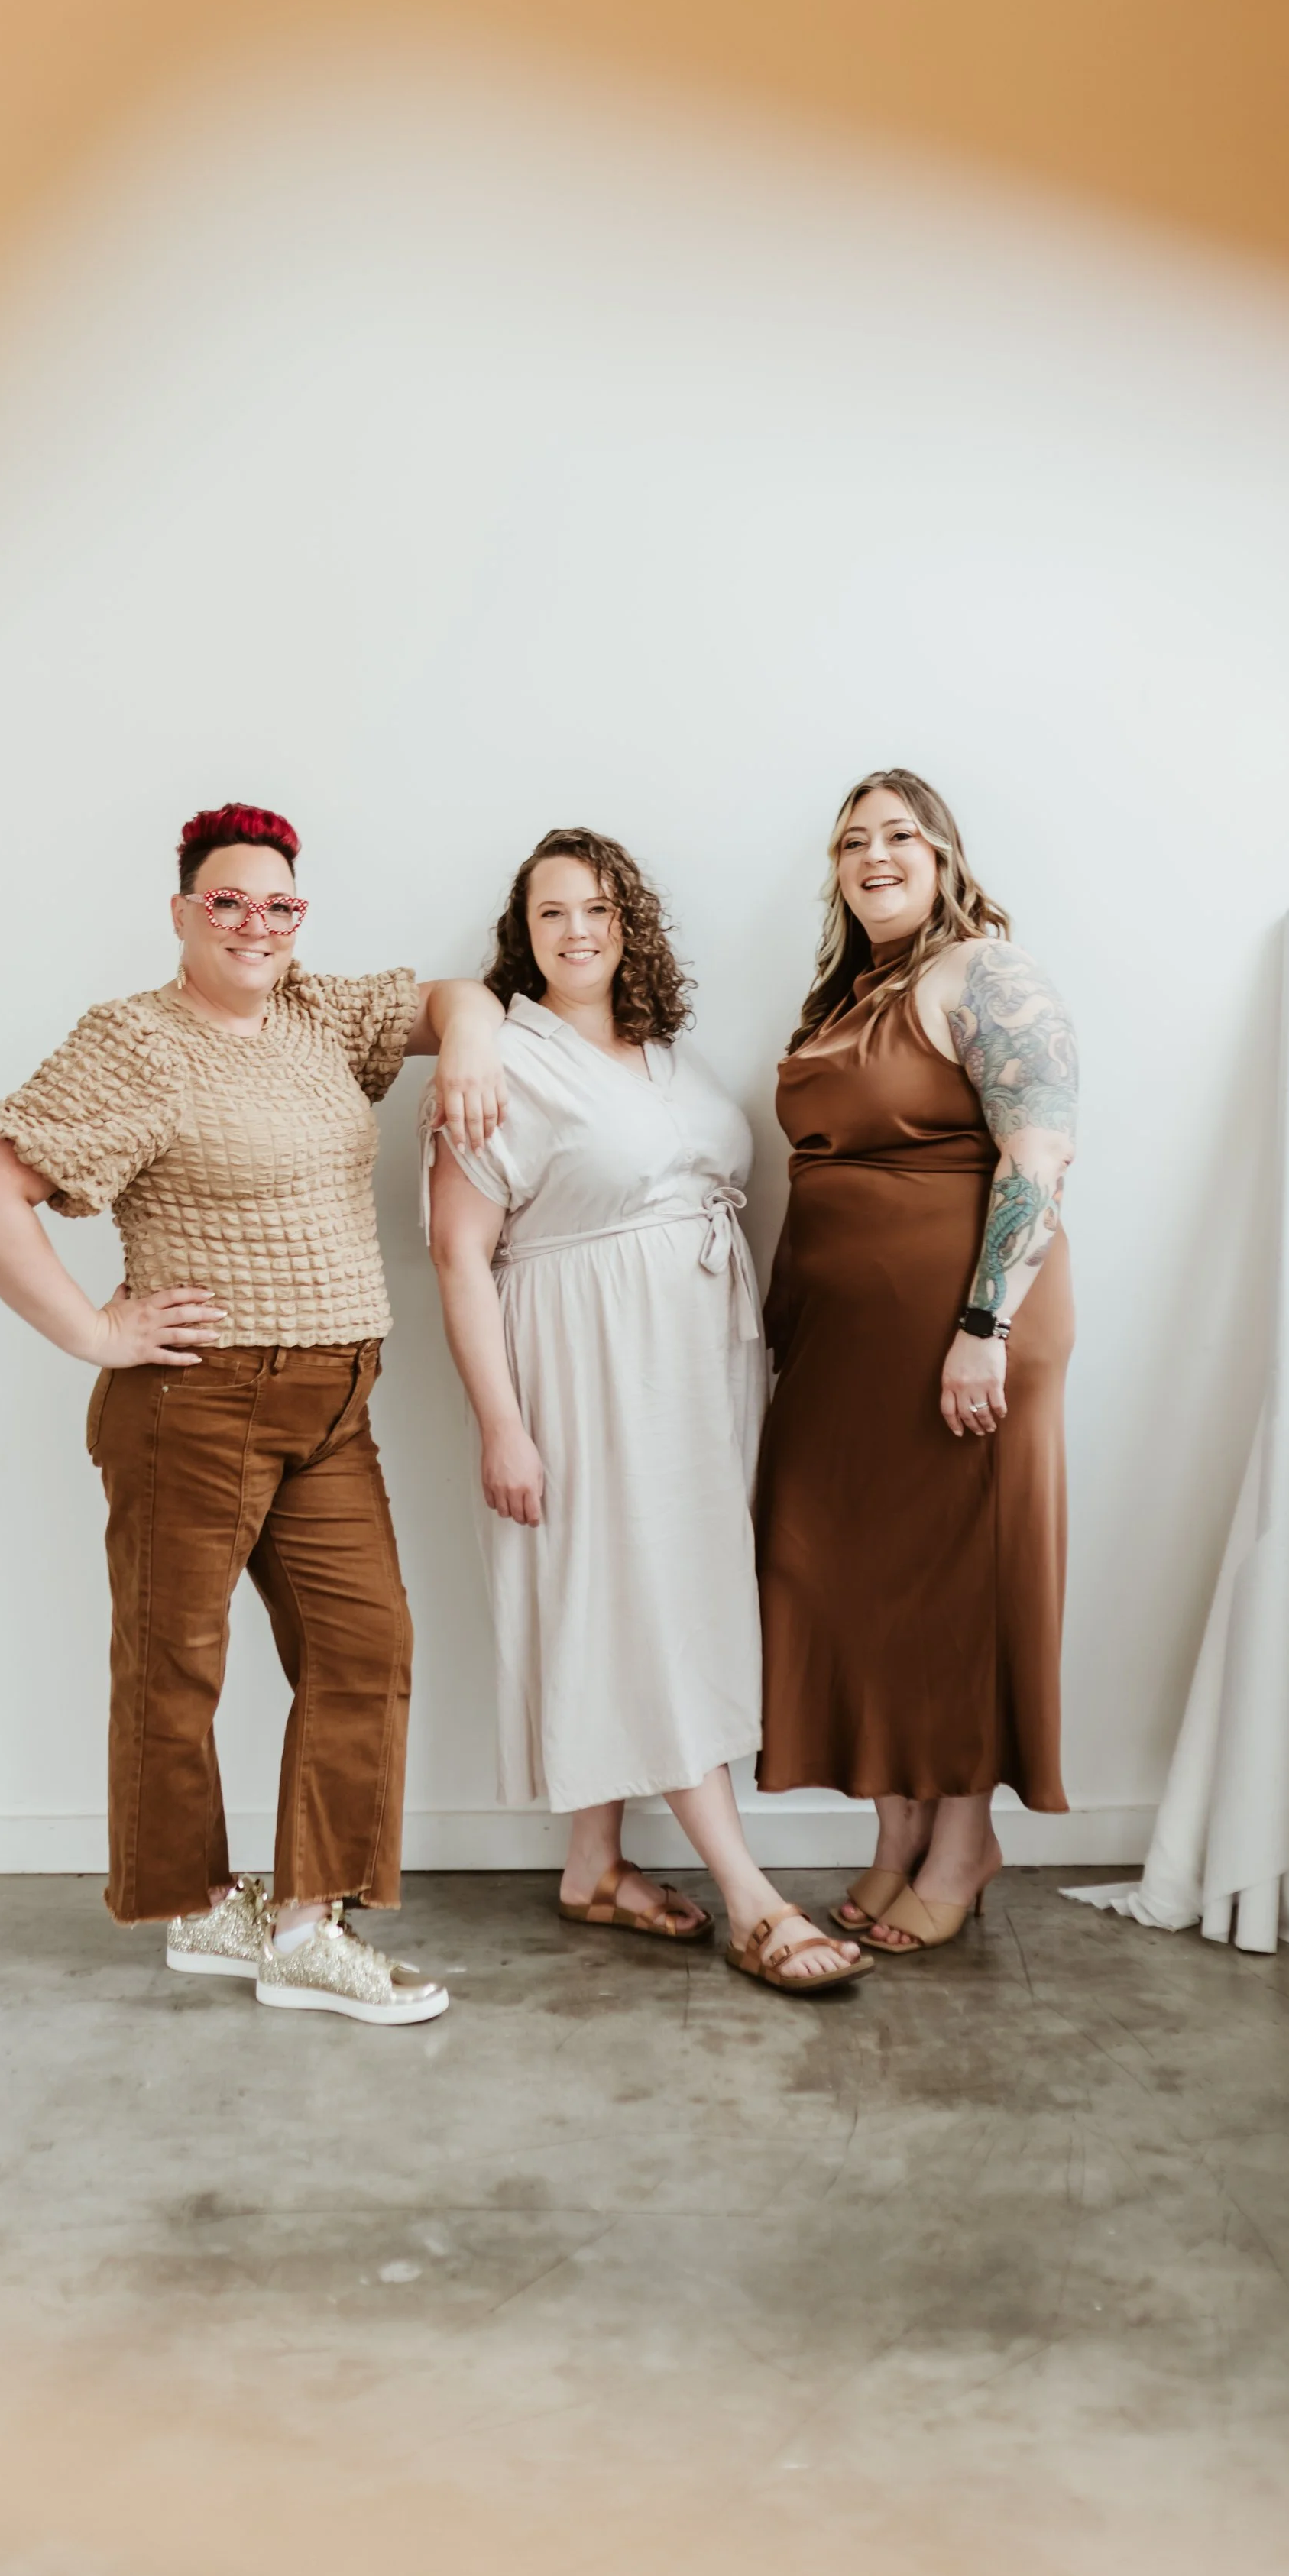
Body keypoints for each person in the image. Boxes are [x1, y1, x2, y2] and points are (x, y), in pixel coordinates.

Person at [0, 801, 507, 2025]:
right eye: (228, 901)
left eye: (281, 904)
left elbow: (462, 995)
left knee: (369, 1649)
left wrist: (467, 1050)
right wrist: (97, 1333)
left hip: (334, 1399)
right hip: (195, 1405)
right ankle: (195, 1906)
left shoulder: (318, 1012)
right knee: (175, 1666)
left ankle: (308, 1923)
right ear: (181, 912)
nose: (257, 923)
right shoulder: (133, 1044)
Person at [426, 827, 867, 1995]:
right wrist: (502, 1425)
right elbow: (459, 1257)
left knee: (650, 1599)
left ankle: (593, 1866)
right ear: (523, 936)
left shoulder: (664, 1057)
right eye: (553, 912)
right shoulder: (502, 1064)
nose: (578, 930)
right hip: (584, 1370)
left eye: (600, 909)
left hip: (692, 1376)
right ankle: (753, 1897)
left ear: (631, 925)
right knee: (640, 1604)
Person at [755, 770, 1077, 1953]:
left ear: (944, 855)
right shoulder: (850, 991)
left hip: (967, 1334)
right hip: (847, 1352)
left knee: (955, 1591)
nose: (872, 855)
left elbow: (1038, 1156)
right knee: (841, 1584)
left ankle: (963, 1840)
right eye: (851, 841)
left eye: (898, 835)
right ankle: (896, 1834)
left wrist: (982, 1327)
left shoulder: (985, 973)